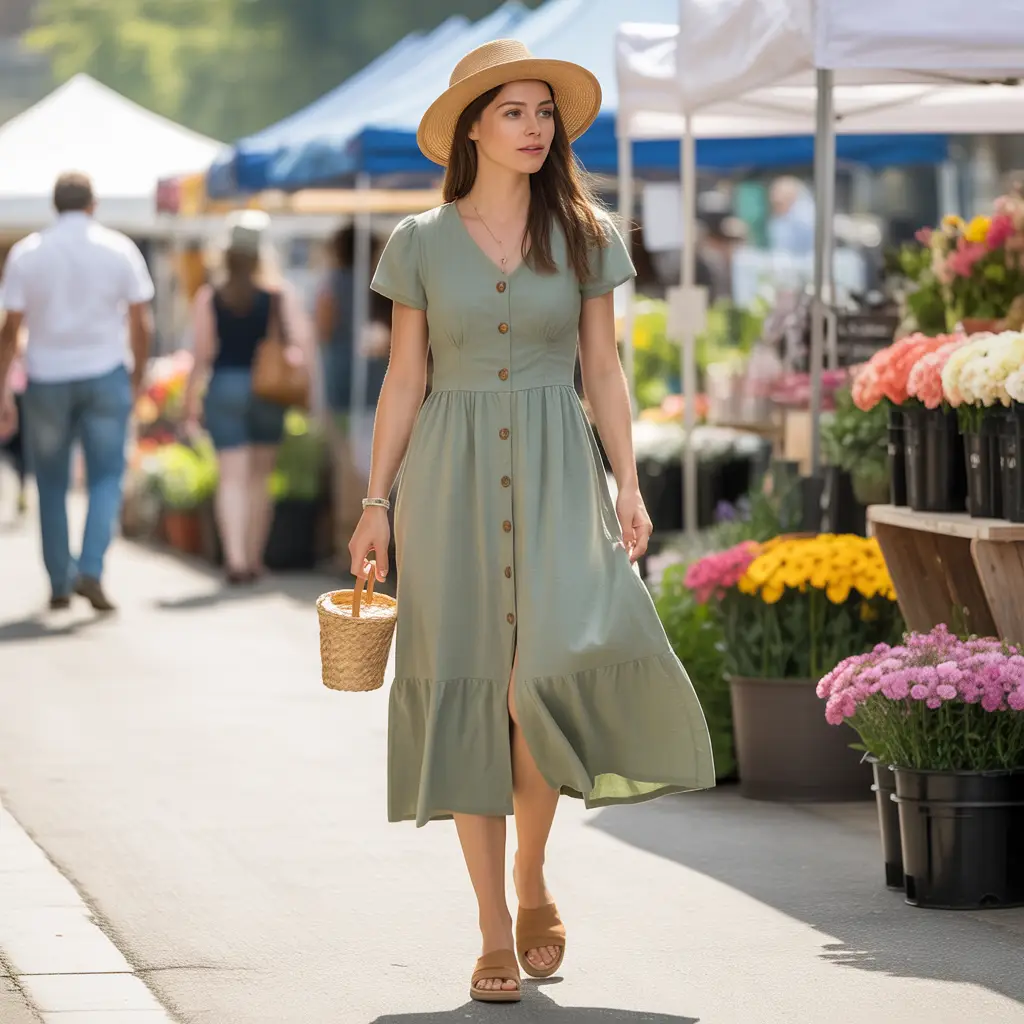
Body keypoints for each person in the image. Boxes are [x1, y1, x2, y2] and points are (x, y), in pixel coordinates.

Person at [346, 40, 715, 1004]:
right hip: (449, 480)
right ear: (472, 128)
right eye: (513, 111)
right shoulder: (419, 241)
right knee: (471, 689)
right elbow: (404, 379)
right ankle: (489, 929)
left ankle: (533, 871)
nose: (534, 127)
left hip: (558, 470)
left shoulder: (586, 234)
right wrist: (376, 502)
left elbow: (604, 368)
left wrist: (629, 481)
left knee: (535, 684)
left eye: (544, 111)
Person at [0, 172, 154, 611]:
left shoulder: (27, 252)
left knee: (51, 482)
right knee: (106, 476)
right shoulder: (119, 248)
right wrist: (137, 378)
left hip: (46, 377)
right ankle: (91, 567)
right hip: (105, 373)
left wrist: (2, 390)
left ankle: (59, 581)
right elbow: (141, 323)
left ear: (54, 205)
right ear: (93, 203)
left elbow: (9, 330)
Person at [183, 211, 312, 585]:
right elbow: (300, 346)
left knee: (231, 478)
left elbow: (202, 354)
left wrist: (189, 402)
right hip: (267, 390)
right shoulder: (279, 294)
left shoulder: (210, 296)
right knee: (260, 478)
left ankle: (235, 560)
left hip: (225, 386)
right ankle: (255, 558)